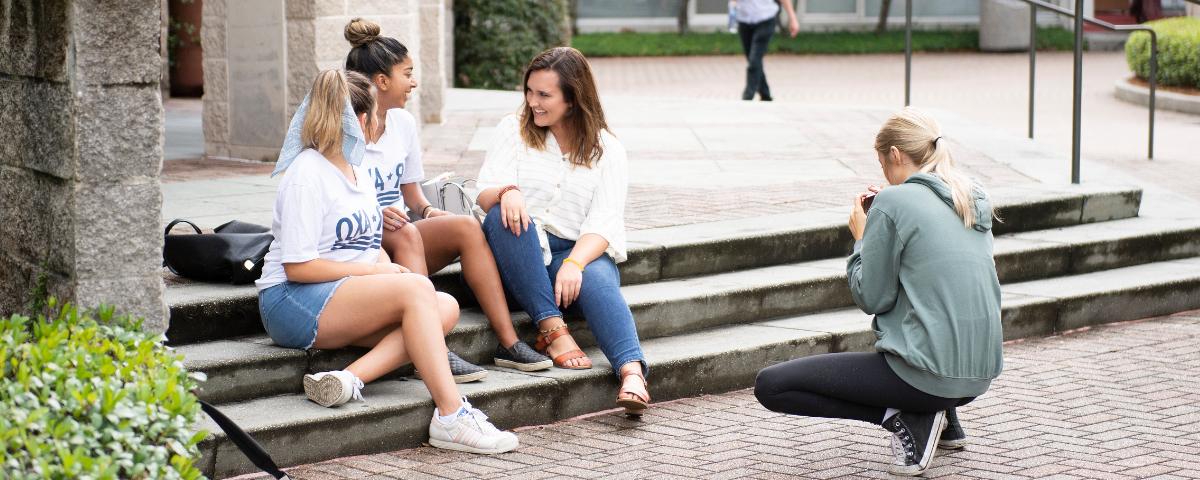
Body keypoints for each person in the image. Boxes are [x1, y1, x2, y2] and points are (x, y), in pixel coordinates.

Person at [255, 69, 518, 454]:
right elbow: (298, 267)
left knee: (442, 306)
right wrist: (377, 272)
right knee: (417, 290)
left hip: (339, 291)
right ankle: (450, 415)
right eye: (375, 115)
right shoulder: (306, 176)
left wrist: (380, 265)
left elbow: (366, 242)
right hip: (290, 301)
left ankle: (346, 380)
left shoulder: (356, 169)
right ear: (361, 120)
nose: (380, 123)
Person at [753, 107, 1003, 476]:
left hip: (925, 376)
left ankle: (907, 417)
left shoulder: (894, 202)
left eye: (882, 161)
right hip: (978, 376)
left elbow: (872, 298)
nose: (883, 172)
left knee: (771, 386)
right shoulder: (970, 194)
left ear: (895, 155)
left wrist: (862, 237)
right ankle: (946, 418)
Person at [343, 18, 552, 381]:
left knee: (466, 227)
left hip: (397, 232)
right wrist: (376, 214)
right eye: (407, 73)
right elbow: (334, 197)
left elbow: (410, 192)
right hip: (356, 240)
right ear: (381, 81)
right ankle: (433, 350)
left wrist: (426, 209)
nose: (414, 82)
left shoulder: (404, 124)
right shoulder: (344, 127)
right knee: (407, 234)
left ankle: (508, 342)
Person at [475, 47, 651, 415]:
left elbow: (604, 222)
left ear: (572, 99)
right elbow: (485, 189)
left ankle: (632, 372)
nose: (532, 102)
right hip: (518, 252)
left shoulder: (608, 149)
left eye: (544, 95)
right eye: (529, 91)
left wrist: (574, 262)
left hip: (575, 249)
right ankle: (553, 329)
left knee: (598, 280)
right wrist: (507, 192)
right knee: (504, 215)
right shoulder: (513, 129)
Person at [734, 0, 799, 101]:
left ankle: (747, 97)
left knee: (754, 60)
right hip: (744, 20)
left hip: (766, 19)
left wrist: (792, 18)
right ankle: (765, 95)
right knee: (752, 59)